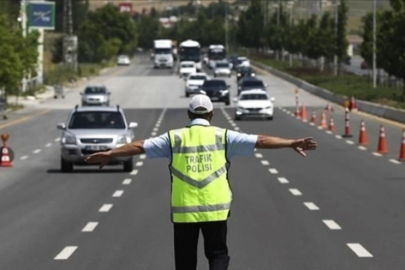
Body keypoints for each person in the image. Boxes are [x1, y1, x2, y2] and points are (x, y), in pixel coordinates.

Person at [85, 94, 318, 270]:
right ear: (211, 114)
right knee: (217, 254)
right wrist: (290, 143)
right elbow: (261, 140)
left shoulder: (173, 138)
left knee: (185, 261)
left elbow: (139, 145)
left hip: (184, 212)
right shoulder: (224, 136)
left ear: (188, 115)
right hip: (216, 210)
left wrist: (110, 153)